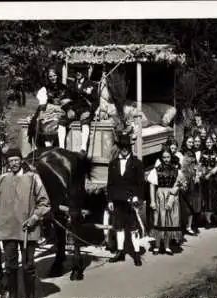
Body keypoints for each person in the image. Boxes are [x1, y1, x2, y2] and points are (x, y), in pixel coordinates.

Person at [0, 148, 51, 298]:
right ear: (7, 163)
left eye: (16, 160)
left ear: (21, 160)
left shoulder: (33, 178)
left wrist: (35, 217)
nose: (13, 163)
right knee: (11, 266)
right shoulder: (2, 179)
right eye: (10, 160)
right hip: (7, 230)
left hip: (28, 230)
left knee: (28, 266)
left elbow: (45, 203)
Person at [106, 133, 145, 266]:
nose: (124, 149)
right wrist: (110, 200)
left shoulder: (137, 164)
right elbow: (110, 184)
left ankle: (137, 254)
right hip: (117, 201)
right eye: (122, 147)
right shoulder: (113, 164)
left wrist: (137, 197)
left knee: (134, 228)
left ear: (129, 147)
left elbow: (141, 184)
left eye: (126, 146)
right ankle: (120, 252)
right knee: (119, 227)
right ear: (119, 148)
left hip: (130, 202)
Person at [147, 146, 184, 255]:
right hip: (160, 197)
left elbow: (180, 184)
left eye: (168, 157)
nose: (166, 159)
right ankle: (157, 246)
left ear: (171, 157)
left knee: (169, 220)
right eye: (164, 157)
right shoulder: (156, 170)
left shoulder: (176, 170)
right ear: (161, 158)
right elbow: (152, 186)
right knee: (159, 220)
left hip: (171, 198)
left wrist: (175, 191)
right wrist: (152, 201)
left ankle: (167, 246)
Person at [59, 71, 99, 156]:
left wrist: (90, 111)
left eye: (80, 71)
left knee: (85, 121)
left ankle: (83, 149)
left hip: (86, 109)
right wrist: (69, 109)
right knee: (61, 121)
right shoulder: (71, 85)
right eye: (76, 71)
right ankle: (61, 149)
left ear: (84, 72)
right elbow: (64, 99)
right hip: (74, 110)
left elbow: (96, 101)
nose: (78, 73)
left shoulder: (91, 84)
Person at [33, 67, 71, 148]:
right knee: (42, 124)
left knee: (61, 122)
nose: (53, 78)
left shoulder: (64, 87)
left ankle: (61, 147)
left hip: (61, 110)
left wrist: (64, 102)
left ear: (58, 75)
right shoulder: (45, 88)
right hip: (49, 111)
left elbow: (68, 100)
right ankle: (48, 147)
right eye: (50, 76)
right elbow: (42, 103)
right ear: (48, 78)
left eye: (54, 75)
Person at [180, 134, 201, 235]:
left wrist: (197, 174)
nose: (191, 144)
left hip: (192, 181)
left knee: (192, 203)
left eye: (192, 142)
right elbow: (180, 168)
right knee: (183, 204)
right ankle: (182, 226)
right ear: (185, 142)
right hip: (184, 181)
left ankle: (189, 226)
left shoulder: (193, 153)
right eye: (189, 142)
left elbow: (197, 166)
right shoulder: (181, 153)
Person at [200, 135, 217, 228]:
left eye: (210, 142)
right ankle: (207, 219)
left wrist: (215, 169)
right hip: (206, 179)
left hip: (214, 179)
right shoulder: (202, 152)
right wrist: (204, 173)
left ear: (213, 143)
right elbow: (200, 165)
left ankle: (211, 217)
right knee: (207, 198)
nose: (208, 144)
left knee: (213, 198)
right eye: (207, 142)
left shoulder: (216, 152)